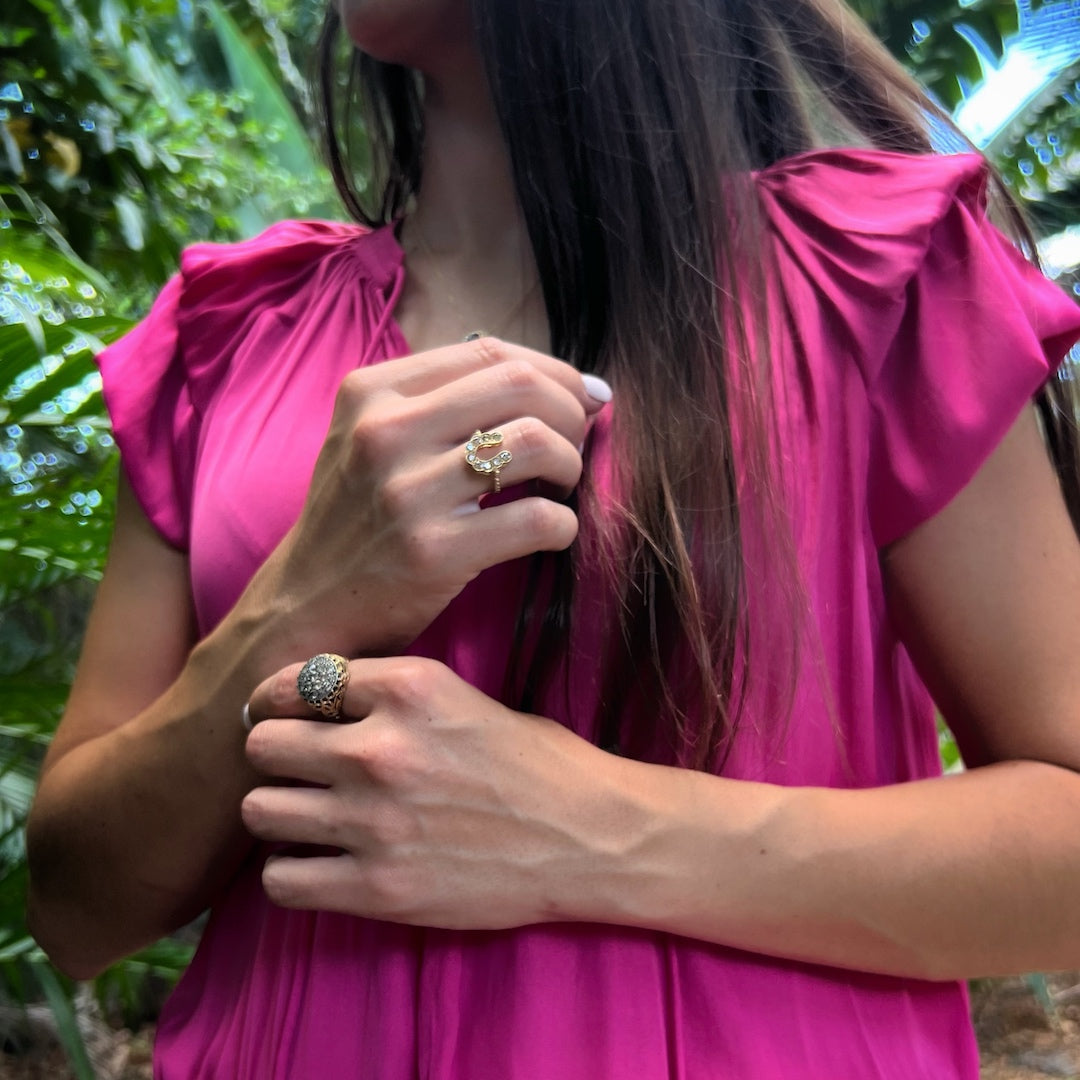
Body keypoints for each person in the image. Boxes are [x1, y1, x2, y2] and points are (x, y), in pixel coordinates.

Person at [25, 0, 1080, 1076]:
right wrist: (298, 604)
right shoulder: (225, 343)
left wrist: (594, 832)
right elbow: (75, 910)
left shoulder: (868, 284)